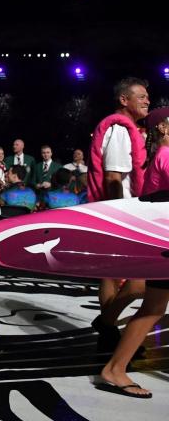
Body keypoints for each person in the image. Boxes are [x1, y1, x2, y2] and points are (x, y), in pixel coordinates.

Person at [97, 106, 169, 399]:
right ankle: (114, 369)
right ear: (163, 129)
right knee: (152, 308)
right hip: (164, 244)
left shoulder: (161, 157)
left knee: (153, 308)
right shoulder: (166, 156)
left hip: (163, 242)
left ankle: (115, 367)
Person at [88, 77, 150, 350]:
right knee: (139, 284)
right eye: (141, 96)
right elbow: (113, 177)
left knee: (111, 275)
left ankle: (108, 331)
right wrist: (119, 218)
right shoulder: (120, 130)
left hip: (118, 212)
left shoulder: (127, 130)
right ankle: (107, 325)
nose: (147, 100)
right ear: (124, 100)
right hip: (119, 213)